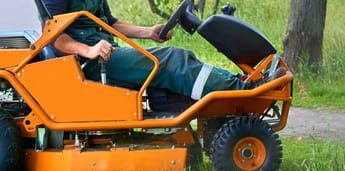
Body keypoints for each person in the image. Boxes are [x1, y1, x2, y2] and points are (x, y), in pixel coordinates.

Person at [41, 0, 275, 99]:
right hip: (89, 62)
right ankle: (241, 91)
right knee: (172, 59)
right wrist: (89, 50)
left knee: (180, 55)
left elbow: (110, 22)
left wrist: (148, 31)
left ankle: (239, 82)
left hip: (108, 51)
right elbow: (54, 35)